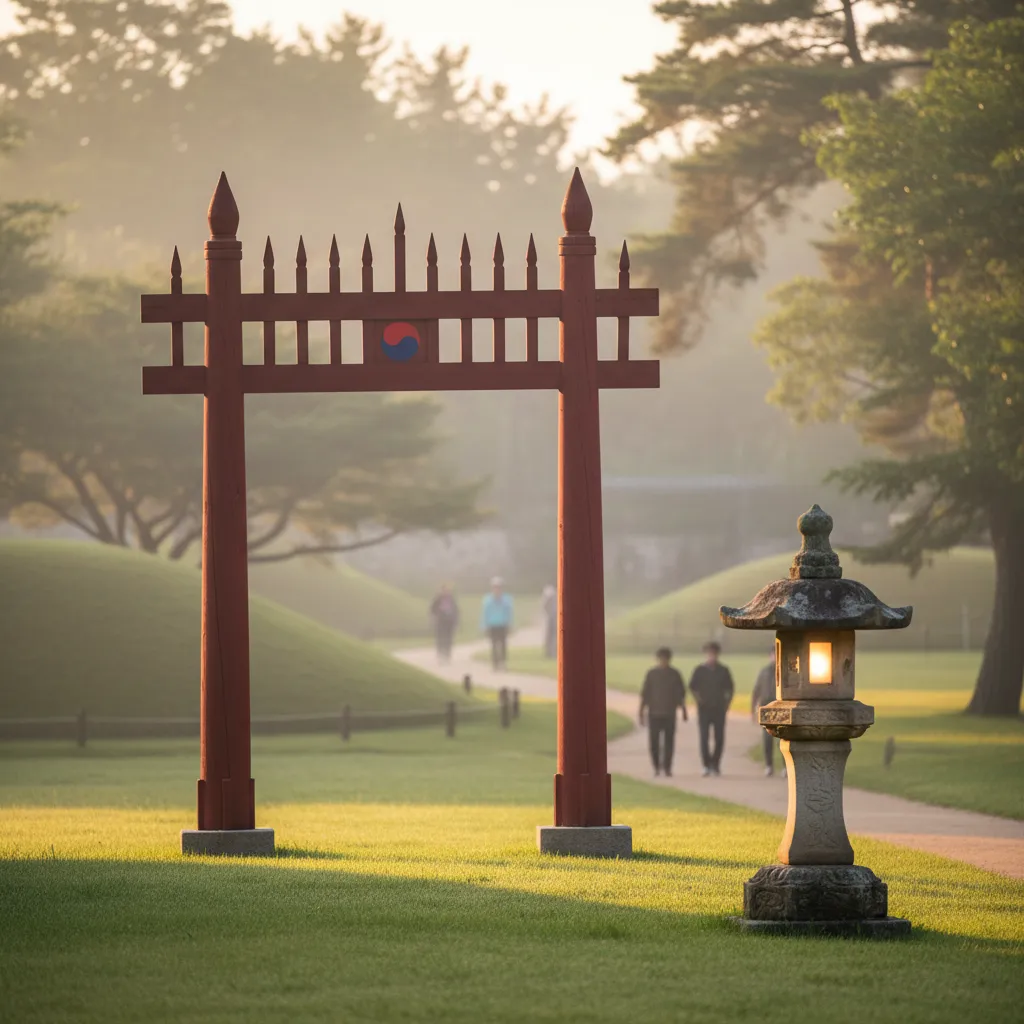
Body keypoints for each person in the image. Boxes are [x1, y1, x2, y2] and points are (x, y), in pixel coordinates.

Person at [639, 647, 687, 777]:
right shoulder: (651, 674)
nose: (663, 661)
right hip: (654, 713)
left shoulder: (675, 674)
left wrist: (684, 710)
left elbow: (681, 693)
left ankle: (667, 767)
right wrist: (641, 712)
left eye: (665, 659)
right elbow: (645, 693)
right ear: (658, 659)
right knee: (654, 742)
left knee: (669, 742)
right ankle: (656, 766)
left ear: (669, 660)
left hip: (669, 713)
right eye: (661, 659)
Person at [688, 640, 734, 777]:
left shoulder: (723, 671)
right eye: (709, 654)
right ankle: (706, 765)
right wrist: (698, 700)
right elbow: (692, 686)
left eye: (714, 654)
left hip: (719, 709)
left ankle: (716, 764)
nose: (712, 656)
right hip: (704, 709)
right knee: (704, 737)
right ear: (706, 654)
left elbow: (730, 688)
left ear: (717, 655)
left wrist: (727, 703)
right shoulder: (699, 670)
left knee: (719, 738)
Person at [751, 646, 778, 777]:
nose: (775, 657)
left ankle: (786, 767)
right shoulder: (764, 672)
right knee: (767, 738)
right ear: (770, 656)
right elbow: (756, 690)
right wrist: (753, 709)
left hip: (781, 707)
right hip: (766, 707)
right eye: (773, 654)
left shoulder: (785, 672)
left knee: (784, 739)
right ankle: (769, 765)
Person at [481, 576, 513, 670]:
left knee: (503, 645)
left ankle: (503, 663)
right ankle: (495, 664)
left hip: (503, 625)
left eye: (499, 587)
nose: (497, 589)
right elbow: (485, 614)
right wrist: (484, 626)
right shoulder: (488, 600)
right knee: (494, 645)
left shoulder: (506, 599)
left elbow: (509, 613)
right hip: (492, 625)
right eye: (495, 587)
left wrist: (509, 624)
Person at [429, 584, 459, 664]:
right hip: (440, 622)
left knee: (448, 640)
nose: (446, 592)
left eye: (448, 590)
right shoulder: (437, 600)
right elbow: (432, 609)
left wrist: (456, 621)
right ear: (441, 591)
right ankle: (441, 656)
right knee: (440, 640)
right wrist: (436, 616)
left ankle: (447, 656)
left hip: (449, 623)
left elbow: (456, 611)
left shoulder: (452, 600)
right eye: (444, 590)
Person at [541, 584, 557, 659]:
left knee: (553, 636)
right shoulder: (548, 599)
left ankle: (553, 653)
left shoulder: (555, 599)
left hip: (554, 619)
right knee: (549, 637)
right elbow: (544, 607)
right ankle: (549, 653)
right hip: (550, 619)